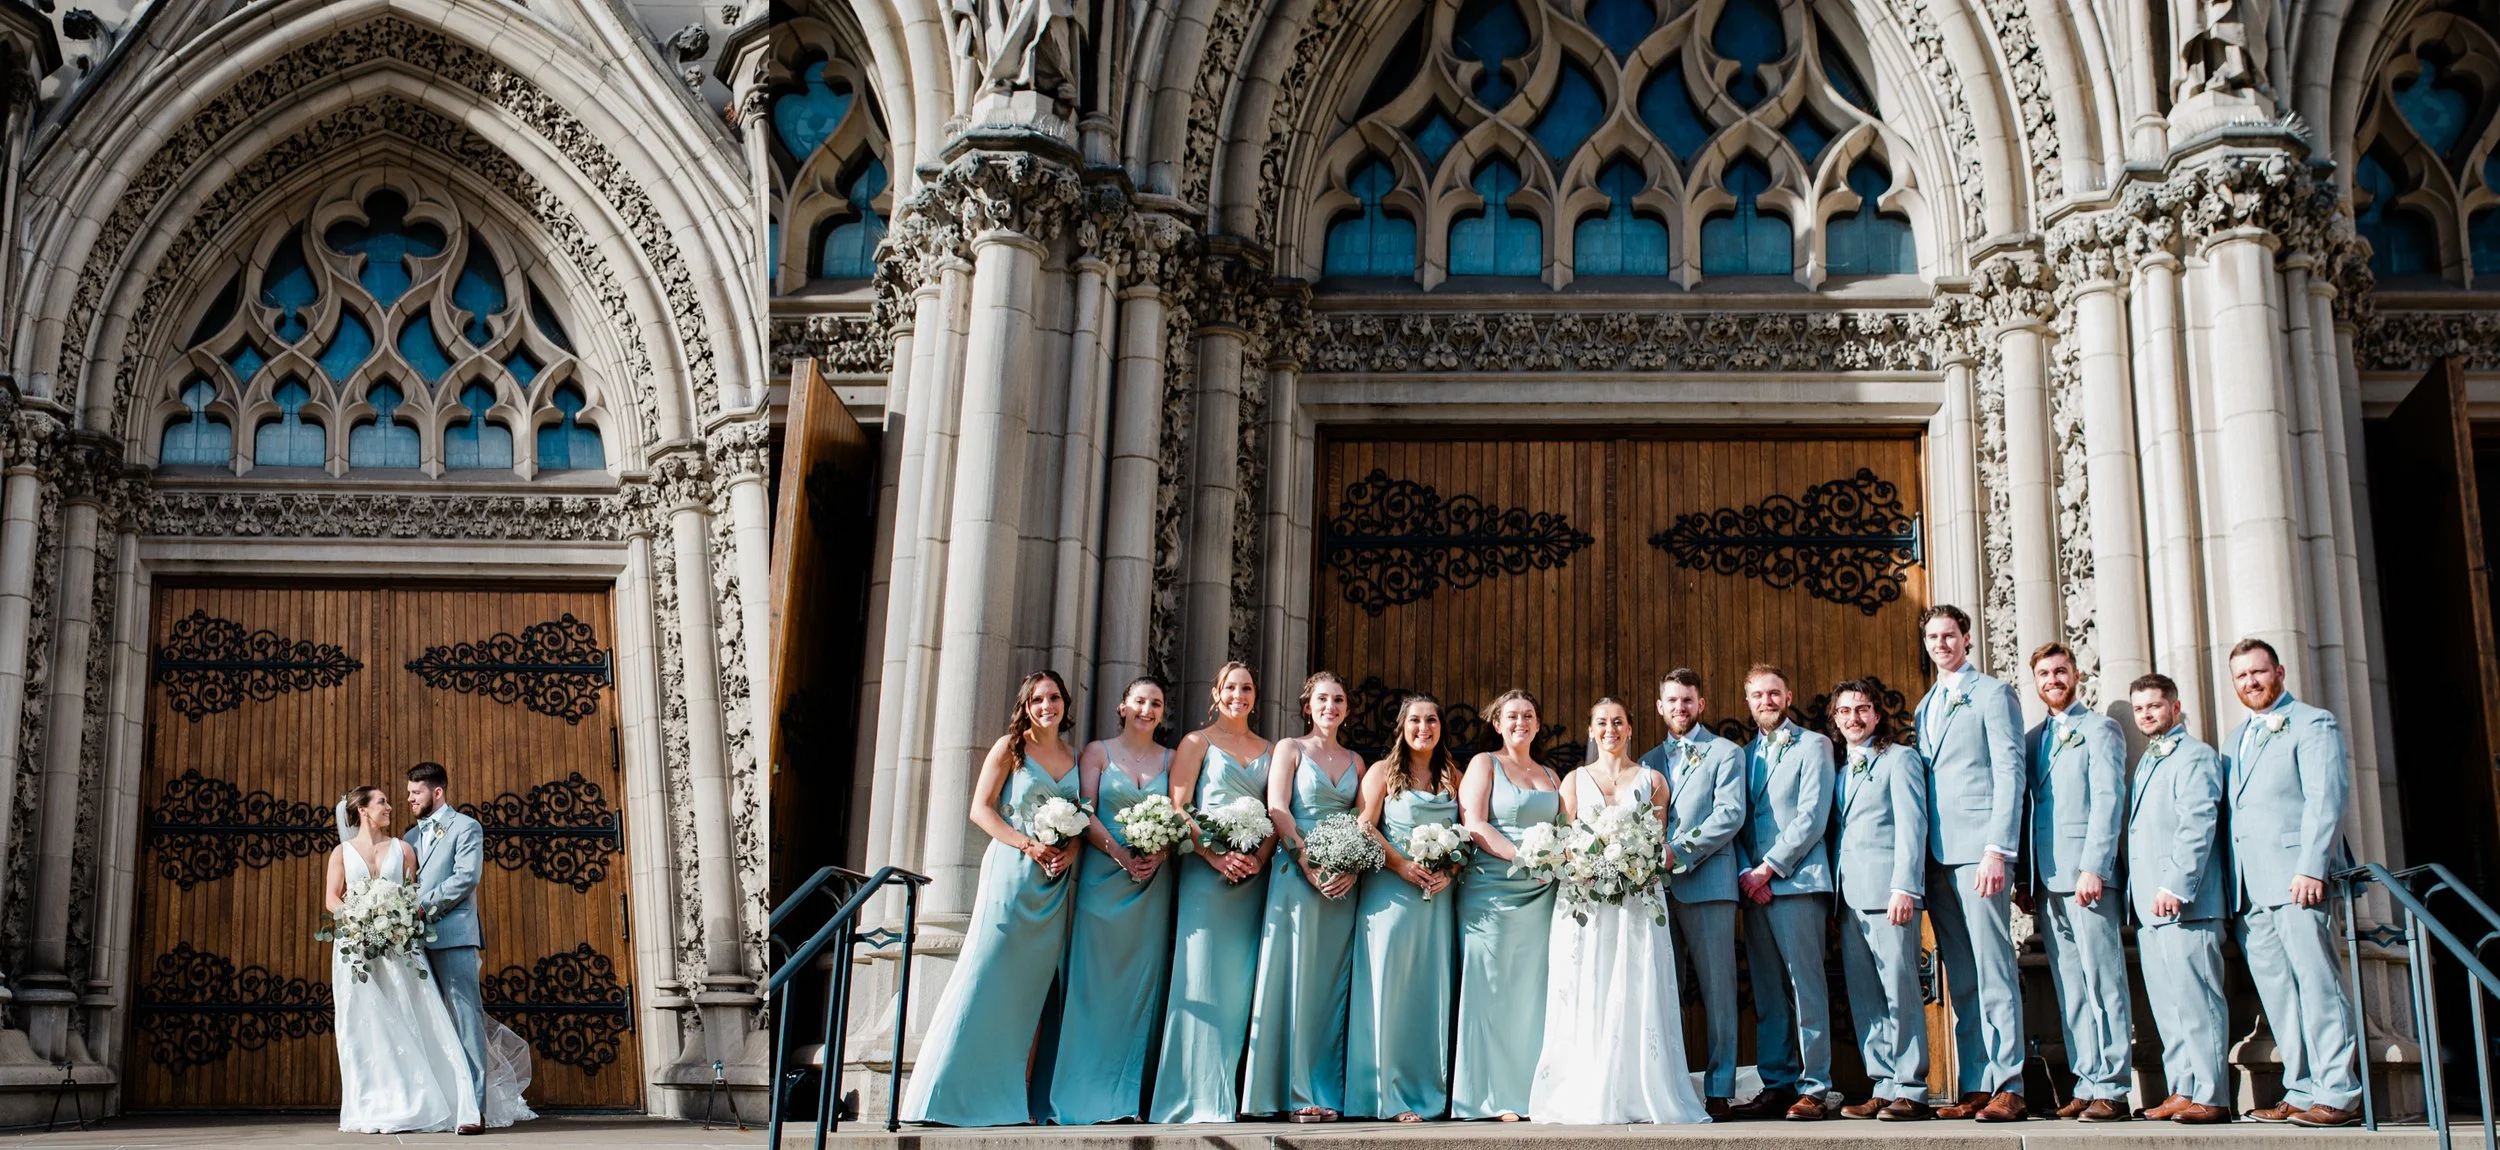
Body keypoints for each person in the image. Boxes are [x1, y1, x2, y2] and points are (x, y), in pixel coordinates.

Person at [900, 671, 1084, 1126]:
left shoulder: (1073, 756)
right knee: (984, 975)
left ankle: (1012, 1099)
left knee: (1031, 992)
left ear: (1064, 704)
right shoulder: (1011, 748)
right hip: (1011, 874)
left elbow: (1082, 818)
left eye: (1055, 698)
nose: (1048, 706)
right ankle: (940, 1097)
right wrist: (1028, 845)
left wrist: (1069, 851)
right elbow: (980, 809)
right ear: (1026, 705)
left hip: (1053, 882)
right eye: (1039, 699)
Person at [1528, 697, 1711, 1125]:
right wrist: (1587, 865)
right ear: (1590, 731)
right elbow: (1568, 840)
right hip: (1586, 901)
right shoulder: (1572, 781)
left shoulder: (1653, 780)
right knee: (1587, 983)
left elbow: (1656, 841)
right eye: (1601, 723)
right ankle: (1587, 1086)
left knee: (1636, 983)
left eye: (1618, 722)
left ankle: (1638, 1087)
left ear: (1630, 729)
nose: (1610, 729)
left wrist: (1632, 861)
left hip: (1637, 901)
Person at [2223, 638, 2362, 1127]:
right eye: (2241, 676)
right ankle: (2301, 1089)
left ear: (2279, 672)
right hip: (2250, 891)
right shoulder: (2234, 738)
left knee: (2319, 985)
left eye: (2258, 673)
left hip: (2296, 880)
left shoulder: (2313, 722)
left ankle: (2339, 1092)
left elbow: (2326, 800)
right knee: (2280, 995)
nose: (2251, 683)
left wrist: (2311, 866)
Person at [1913, 605, 2029, 1121]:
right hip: (1936, 856)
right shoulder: (1925, 705)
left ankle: (2011, 1083)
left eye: (1949, 635)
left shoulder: (1993, 694)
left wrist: (1998, 849)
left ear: (1966, 640)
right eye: (1933, 636)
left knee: (1993, 966)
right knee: (1961, 973)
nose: (1941, 644)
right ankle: (1978, 1082)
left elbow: (2009, 771)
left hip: (1979, 853)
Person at [1045, 677, 1178, 1125]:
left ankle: (1127, 1101)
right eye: (1139, 701)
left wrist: (1159, 852)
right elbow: (1085, 811)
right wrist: (1121, 854)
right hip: (1104, 880)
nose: (1147, 709)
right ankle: (1081, 1098)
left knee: (1142, 990)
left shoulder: (1171, 759)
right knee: (1094, 986)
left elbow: (1180, 815)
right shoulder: (1097, 753)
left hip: (1151, 886)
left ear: (1163, 711)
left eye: (1156, 703)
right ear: (1123, 706)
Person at [1148, 662, 1276, 1123]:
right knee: (1198, 976)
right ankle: (1189, 1096)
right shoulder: (1196, 742)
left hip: (1253, 880)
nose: (1239, 695)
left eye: (1247, 688)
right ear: (1216, 692)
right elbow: (1180, 806)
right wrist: (1214, 855)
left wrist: (1258, 859)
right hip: (1208, 875)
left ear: (1255, 696)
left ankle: (1230, 1093)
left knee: (1242, 986)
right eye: (1231, 688)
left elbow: (1276, 811)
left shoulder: (1270, 749)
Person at [1241, 672, 1364, 1122]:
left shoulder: (1357, 761)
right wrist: (1307, 862)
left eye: (1339, 699)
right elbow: (1278, 808)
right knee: (1293, 977)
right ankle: (1291, 1092)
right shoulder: (1290, 749)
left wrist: (1348, 865)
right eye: (1322, 699)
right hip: (1297, 873)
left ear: (1347, 709)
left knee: (1329, 987)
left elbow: (1363, 820)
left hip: (1341, 883)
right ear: (1307, 706)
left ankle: (1326, 1089)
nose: (1331, 706)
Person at [332, 784, 484, 1134]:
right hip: (359, 951)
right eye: (383, 801)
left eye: (409, 794)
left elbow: (412, 896)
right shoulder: (342, 852)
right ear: (363, 811)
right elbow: (332, 898)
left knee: (415, 1020)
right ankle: (376, 1102)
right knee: (365, 1027)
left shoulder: (404, 847)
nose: (393, 805)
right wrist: (359, 918)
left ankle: (445, 1102)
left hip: (400, 948)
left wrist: (395, 919)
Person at [2023, 642, 2132, 1121]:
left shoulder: (2100, 730)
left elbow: (2109, 801)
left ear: (2076, 675)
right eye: (2044, 673)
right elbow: (2028, 812)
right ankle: (2087, 1082)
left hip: (2088, 877)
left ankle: (2114, 1086)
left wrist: (2096, 866)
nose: (2052, 679)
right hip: (2047, 881)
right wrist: (2026, 880)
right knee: (2070, 983)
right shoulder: (2031, 739)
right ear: (2036, 681)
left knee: (2103, 979)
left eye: (2060, 671)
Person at [1727, 665, 1837, 1121]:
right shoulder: (1742, 755)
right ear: (1748, 701)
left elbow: (1812, 815)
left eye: (1774, 693)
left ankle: (1815, 1086)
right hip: (1755, 890)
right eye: (1757, 695)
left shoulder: (1815, 745)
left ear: (1788, 696)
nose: (1766, 701)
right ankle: (1777, 1083)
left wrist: (1769, 869)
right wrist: (1745, 875)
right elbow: (1734, 821)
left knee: (1804, 987)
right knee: (1769, 991)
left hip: (1796, 883)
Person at [1346, 694, 1462, 1121]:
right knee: (1388, 990)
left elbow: (1466, 831)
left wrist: (1451, 868)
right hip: (1391, 894)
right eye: (1415, 720)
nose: (1424, 727)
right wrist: (1400, 865)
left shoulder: (1452, 775)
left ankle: (1425, 1092)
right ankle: (1385, 1095)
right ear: (1402, 726)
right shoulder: (1381, 773)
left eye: (1432, 720)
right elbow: (1363, 825)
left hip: (1436, 899)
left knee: (1427, 994)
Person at [2124, 673, 2232, 1124]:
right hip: (2151, 907)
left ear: (2175, 705)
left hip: (2186, 903)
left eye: (2154, 705)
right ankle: (2183, 1087)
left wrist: (2175, 885)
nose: (2147, 714)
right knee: (2170, 1006)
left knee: (2199, 1000)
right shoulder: (2147, 760)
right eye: (2140, 709)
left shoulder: (2197, 757)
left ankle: (2212, 1094)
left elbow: (2197, 824)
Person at [1450, 688, 1564, 1120]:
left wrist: (1555, 860)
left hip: (1541, 893)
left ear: (1538, 723)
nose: (1521, 722)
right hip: (1494, 889)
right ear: (1497, 723)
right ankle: (1488, 1097)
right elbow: (1474, 821)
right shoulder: (1485, 763)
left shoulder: (1552, 775)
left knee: (1533, 993)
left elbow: (1564, 828)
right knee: (1490, 990)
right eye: (1512, 716)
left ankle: (1531, 1091)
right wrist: (1522, 857)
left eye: (1529, 715)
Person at [1639, 668, 1746, 1119]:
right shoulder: (1645, 761)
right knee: (1663, 991)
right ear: (1660, 707)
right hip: (1656, 893)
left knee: (1719, 990)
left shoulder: (1726, 752)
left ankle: (1720, 1087)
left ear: (1700, 705)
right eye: (1671, 701)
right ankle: (1672, 1087)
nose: (1679, 708)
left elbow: (1730, 814)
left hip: (1707, 883)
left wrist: (1678, 851)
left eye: (1687, 700)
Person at [1827, 680, 1931, 1121]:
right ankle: (1883, 1083)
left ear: (1877, 714)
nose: (1854, 718)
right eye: (1845, 711)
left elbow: (1913, 825)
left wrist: (1905, 886)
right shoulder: (1840, 771)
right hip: (1849, 898)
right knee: (1866, 996)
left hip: (1889, 895)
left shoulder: (1900, 760)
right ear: (1834, 719)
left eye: (1862, 709)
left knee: (1900, 989)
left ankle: (1911, 1085)